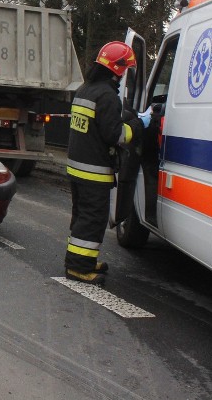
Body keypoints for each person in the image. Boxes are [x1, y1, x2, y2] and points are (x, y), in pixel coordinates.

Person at [64, 41, 152, 285]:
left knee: (81, 218)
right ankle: (80, 269)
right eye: (125, 70)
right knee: (92, 220)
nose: (125, 75)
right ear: (117, 68)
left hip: (77, 168)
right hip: (94, 172)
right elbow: (116, 135)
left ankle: (80, 261)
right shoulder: (107, 96)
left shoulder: (85, 90)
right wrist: (139, 124)